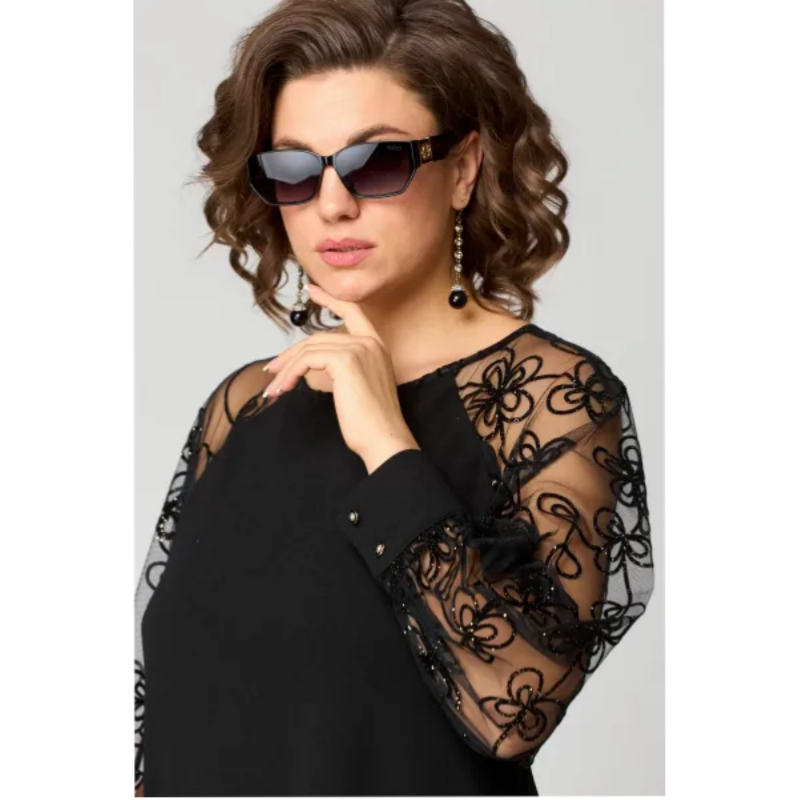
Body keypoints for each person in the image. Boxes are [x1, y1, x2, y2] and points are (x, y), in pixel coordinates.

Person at [134, 0, 655, 795]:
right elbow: (170, 715)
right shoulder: (245, 405)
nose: (332, 204)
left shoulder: (550, 398)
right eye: (294, 171)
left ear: (464, 169)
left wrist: (386, 444)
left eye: (376, 164)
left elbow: (514, 711)